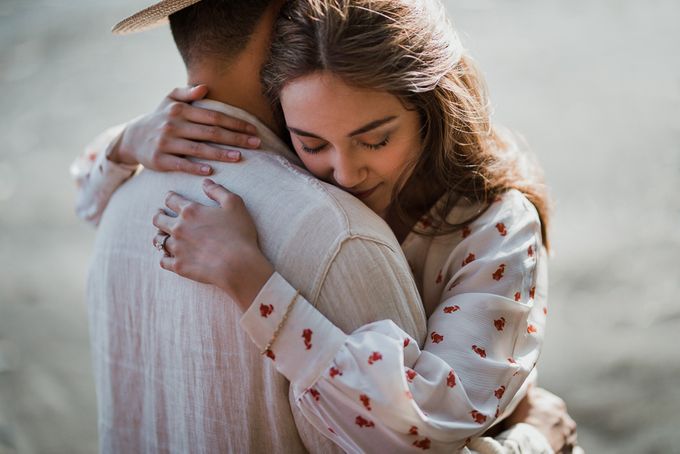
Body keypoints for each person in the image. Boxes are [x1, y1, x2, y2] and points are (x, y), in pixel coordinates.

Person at [74, 0, 579, 452]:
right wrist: (125, 142)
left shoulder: (496, 225)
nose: (344, 173)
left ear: (430, 111)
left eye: (376, 141)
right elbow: (86, 193)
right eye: (311, 145)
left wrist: (531, 443)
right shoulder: (307, 191)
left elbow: (427, 423)